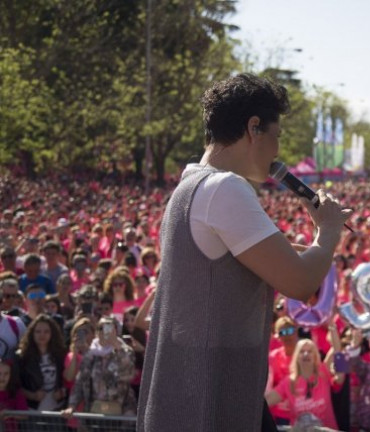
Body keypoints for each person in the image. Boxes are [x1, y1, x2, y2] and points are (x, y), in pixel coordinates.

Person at [138, 73, 352, 432]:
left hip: (194, 392)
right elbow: (300, 283)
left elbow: (240, 264)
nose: (277, 151)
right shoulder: (224, 188)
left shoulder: (190, 187)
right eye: (276, 136)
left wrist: (302, 248)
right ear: (254, 128)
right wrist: (328, 231)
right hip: (210, 397)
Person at [62, 316, 137, 418]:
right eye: (101, 328)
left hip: (121, 413)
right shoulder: (90, 354)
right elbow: (80, 382)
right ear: (96, 332)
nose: (105, 331)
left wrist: (116, 344)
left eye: (110, 327)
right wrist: (72, 406)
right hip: (95, 413)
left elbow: (128, 372)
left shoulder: (126, 351)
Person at [265, 339, 343, 429]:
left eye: (310, 351)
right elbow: (266, 402)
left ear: (315, 356)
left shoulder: (323, 372)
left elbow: (337, 350)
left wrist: (332, 327)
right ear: (296, 357)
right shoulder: (289, 382)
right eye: (302, 351)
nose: (306, 354)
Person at [16, 314, 66, 410]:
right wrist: (32, 395)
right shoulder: (22, 357)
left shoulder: (61, 354)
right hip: (33, 410)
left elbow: (67, 380)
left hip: (57, 409)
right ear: (32, 334)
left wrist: (62, 392)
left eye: (46, 331)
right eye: (38, 332)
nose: (42, 335)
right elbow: (16, 386)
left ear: (52, 333)